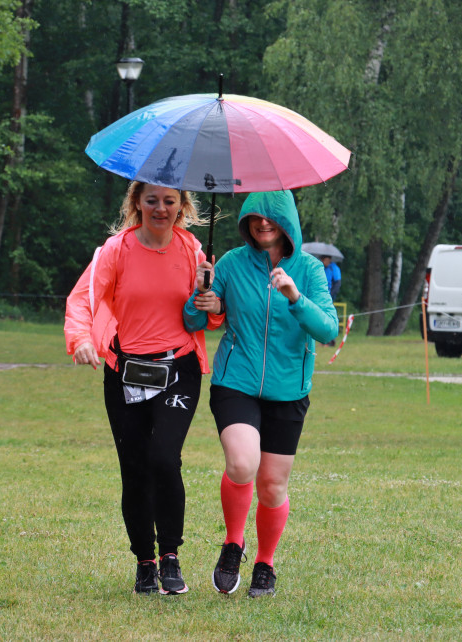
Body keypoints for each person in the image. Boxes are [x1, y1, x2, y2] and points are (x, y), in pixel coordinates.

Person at [64, 180, 221, 596]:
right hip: (124, 371)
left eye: (170, 201)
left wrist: (212, 302)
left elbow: (210, 315)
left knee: (164, 459)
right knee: (134, 469)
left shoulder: (192, 251)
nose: (161, 208)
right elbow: (82, 299)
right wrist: (80, 338)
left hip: (178, 369)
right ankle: (145, 563)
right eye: (151, 200)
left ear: (182, 206)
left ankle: (170, 556)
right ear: (137, 203)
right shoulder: (116, 250)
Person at [184, 190, 338, 598]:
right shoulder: (231, 263)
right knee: (241, 463)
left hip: (290, 390)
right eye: (254, 217)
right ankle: (233, 543)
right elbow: (193, 318)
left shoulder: (308, 269)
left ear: (288, 222)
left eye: (271, 218)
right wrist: (204, 295)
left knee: (272, 486)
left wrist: (294, 296)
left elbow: (328, 330)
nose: (263, 224)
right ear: (246, 222)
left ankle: (265, 563)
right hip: (236, 381)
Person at [320, 255, 341, 346]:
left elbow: (337, 283)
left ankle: (331, 341)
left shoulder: (334, 268)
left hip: (330, 296)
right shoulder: (320, 267)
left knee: (329, 317)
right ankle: (323, 340)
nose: (327, 262)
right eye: (325, 260)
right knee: (320, 317)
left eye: (329, 260)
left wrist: (331, 296)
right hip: (320, 295)